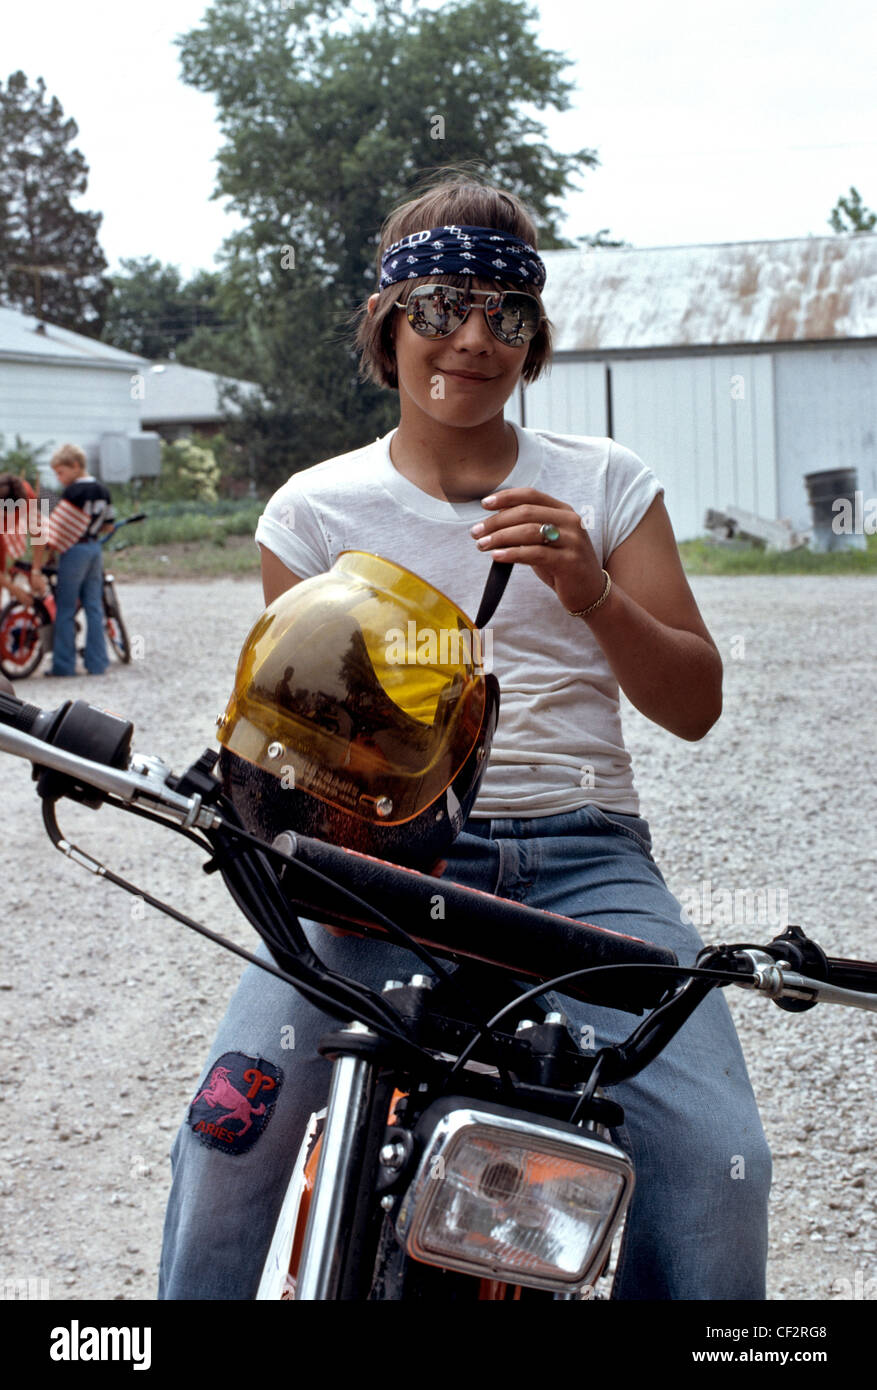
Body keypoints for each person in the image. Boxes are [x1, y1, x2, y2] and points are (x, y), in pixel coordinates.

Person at [159, 173, 771, 1300]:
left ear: (534, 340)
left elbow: (693, 704)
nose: (473, 339)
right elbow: (301, 739)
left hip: (584, 861)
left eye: (507, 315)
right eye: (439, 307)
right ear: (387, 326)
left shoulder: (607, 484)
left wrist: (592, 589)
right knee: (229, 1130)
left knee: (717, 1166)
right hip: (369, 868)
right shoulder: (311, 513)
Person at [39, 444, 115, 677]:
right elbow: (109, 524)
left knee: (65, 608)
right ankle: (97, 662)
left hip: (73, 550)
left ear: (75, 466)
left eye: (60, 472)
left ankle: (64, 665)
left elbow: (58, 529)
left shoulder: (73, 493)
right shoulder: (103, 490)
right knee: (93, 606)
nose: (59, 478)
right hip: (94, 548)